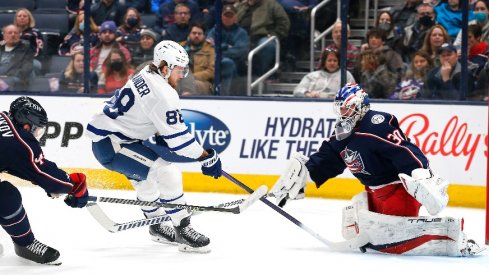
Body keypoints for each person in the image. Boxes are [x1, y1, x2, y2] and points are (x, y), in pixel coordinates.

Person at [270, 83, 484, 257]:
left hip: (398, 194)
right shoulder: (343, 133)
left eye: (347, 108)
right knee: (355, 229)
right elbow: (328, 157)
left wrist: (421, 174)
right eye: (341, 109)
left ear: (360, 105)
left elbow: (404, 149)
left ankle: (454, 237)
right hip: (374, 194)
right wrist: (303, 175)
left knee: (394, 244)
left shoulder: (376, 124)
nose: (343, 113)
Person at [85, 40, 222, 253]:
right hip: (114, 146)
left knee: (146, 181)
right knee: (168, 173)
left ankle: (156, 225)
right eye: (180, 70)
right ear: (165, 68)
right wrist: (206, 156)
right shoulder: (164, 94)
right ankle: (183, 229)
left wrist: (160, 132)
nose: (182, 76)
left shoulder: (145, 73)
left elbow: (148, 114)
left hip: (114, 140)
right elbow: (180, 142)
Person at [0, 96, 89, 265]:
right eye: (36, 130)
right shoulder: (18, 141)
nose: (36, 135)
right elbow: (44, 173)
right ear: (26, 125)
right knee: (6, 198)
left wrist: (42, 181)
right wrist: (74, 186)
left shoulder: (4, 118)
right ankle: (25, 243)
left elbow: (15, 163)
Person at [0, 24, 34, 92]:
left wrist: (7, 77)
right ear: (4, 35)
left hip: (13, 80)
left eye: (15, 33)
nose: (13, 35)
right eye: (10, 33)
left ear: (19, 35)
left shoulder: (26, 49)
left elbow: (26, 68)